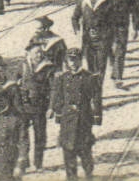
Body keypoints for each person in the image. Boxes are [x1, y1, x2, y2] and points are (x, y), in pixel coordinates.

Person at [49, 45, 101, 179]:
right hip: (67, 118)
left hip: (83, 117)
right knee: (68, 149)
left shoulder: (89, 77)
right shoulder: (62, 78)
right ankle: (71, 177)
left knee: (85, 149)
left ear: (80, 60)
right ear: (66, 61)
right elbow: (57, 96)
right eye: (70, 60)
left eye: (75, 60)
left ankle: (88, 173)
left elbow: (96, 97)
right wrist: (55, 111)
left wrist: (97, 116)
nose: (73, 63)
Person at [21, 17, 67, 171]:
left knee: (55, 112)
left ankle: (62, 136)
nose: (36, 31)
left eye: (40, 29)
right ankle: (24, 160)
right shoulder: (33, 40)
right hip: (28, 100)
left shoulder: (57, 42)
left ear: (46, 29)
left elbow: (61, 62)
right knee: (23, 133)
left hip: (49, 81)